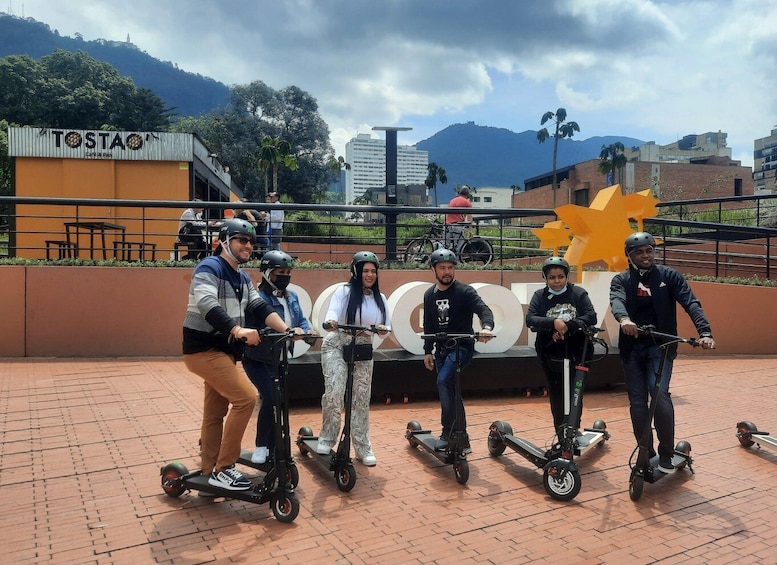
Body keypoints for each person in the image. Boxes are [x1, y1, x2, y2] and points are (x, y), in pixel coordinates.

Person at [182, 218, 291, 491]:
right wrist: (237, 329)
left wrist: (288, 329)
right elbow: (207, 303)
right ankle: (225, 467)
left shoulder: (243, 277)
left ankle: (209, 468)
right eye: (242, 239)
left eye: (251, 241)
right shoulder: (209, 267)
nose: (248, 245)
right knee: (246, 398)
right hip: (204, 348)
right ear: (225, 241)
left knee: (215, 411)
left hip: (223, 351)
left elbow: (259, 306)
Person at [610, 231, 715, 474]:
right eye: (639, 252)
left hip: (662, 346)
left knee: (659, 394)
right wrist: (624, 319)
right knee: (637, 402)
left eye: (649, 250)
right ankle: (645, 451)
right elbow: (617, 301)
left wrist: (705, 332)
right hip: (632, 347)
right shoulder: (622, 280)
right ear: (629, 255)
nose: (645, 255)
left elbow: (691, 303)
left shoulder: (669, 276)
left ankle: (667, 451)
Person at [318, 251, 391, 466]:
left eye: (373, 271)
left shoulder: (381, 298)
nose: (369, 275)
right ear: (355, 272)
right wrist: (331, 321)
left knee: (361, 397)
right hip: (337, 343)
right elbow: (332, 312)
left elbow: (387, 328)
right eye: (365, 270)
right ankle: (327, 437)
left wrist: (381, 329)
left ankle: (362, 446)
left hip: (363, 347)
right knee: (335, 392)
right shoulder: (344, 292)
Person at [242, 250, 315, 464]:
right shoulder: (257, 299)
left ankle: (276, 448)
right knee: (271, 397)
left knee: (280, 402)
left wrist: (307, 332)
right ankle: (262, 445)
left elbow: (301, 321)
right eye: (279, 272)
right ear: (266, 273)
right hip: (258, 359)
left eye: (287, 272)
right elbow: (253, 327)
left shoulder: (292, 297)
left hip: (279, 358)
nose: (284, 276)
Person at [422, 248, 493, 452]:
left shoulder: (465, 291)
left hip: (461, 348)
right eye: (442, 268)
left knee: (444, 381)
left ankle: (448, 432)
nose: (447, 272)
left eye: (451, 268)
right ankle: (462, 436)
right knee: (452, 389)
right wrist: (428, 350)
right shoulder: (429, 295)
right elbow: (429, 325)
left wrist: (486, 327)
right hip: (441, 351)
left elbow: (483, 309)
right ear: (433, 269)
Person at [526, 256, 597, 435]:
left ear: (567, 276)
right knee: (557, 394)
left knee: (575, 394)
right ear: (545, 278)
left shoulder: (578, 294)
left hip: (578, 352)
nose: (557, 281)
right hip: (550, 353)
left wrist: (567, 326)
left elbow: (591, 316)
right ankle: (561, 432)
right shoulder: (539, 296)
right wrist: (553, 323)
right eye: (552, 277)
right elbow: (531, 319)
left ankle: (573, 429)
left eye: (560, 277)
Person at [444, 185, 473, 250]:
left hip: (448, 225)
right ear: (467, 194)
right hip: (457, 225)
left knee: (446, 247)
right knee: (459, 247)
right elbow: (469, 217)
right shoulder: (467, 203)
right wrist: (471, 231)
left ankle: (445, 259)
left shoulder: (452, 200)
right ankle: (457, 259)